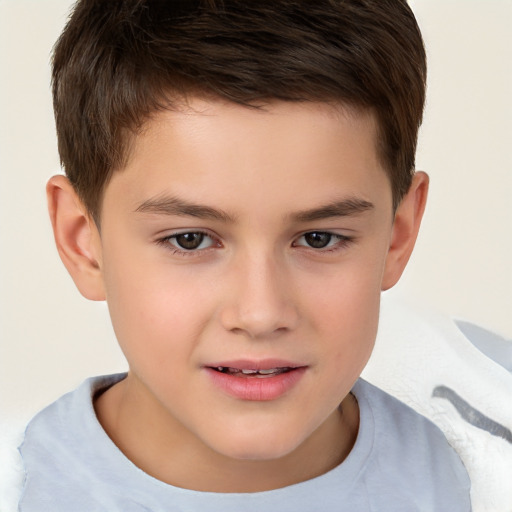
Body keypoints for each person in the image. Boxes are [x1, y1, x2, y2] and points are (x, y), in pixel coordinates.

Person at [18, 0, 472, 510]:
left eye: (319, 239)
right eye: (189, 239)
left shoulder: (474, 478)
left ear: (397, 234)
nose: (260, 314)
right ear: (84, 242)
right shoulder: (18, 487)